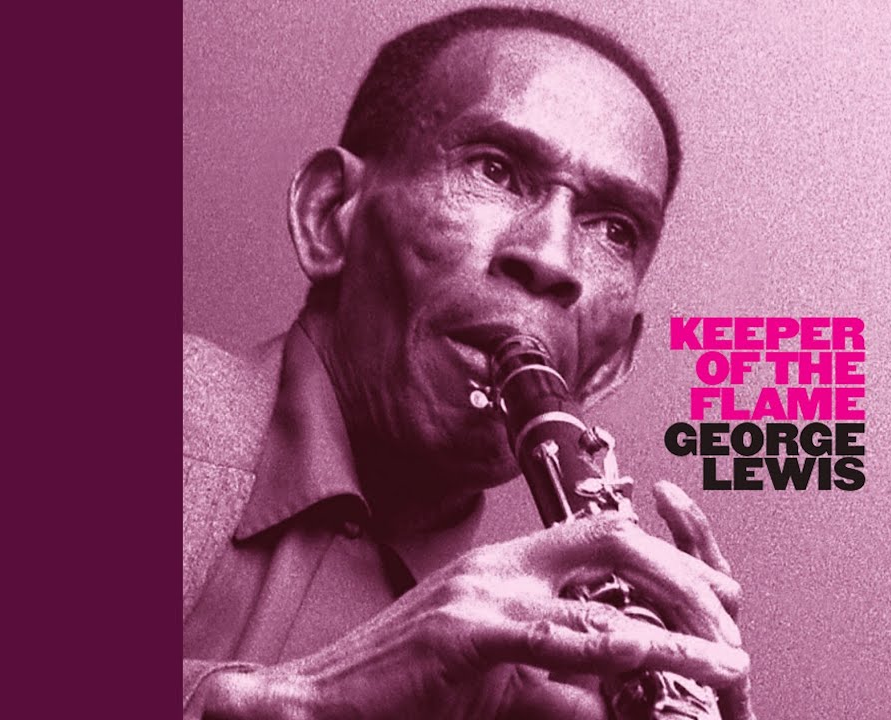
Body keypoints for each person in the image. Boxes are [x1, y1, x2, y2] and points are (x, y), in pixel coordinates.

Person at [183, 6, 753, 718]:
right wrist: (290, 703)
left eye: (614, 228)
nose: (550, 259)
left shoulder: (538, 690)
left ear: (606, 367)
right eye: (495, 170)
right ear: (330, 215)